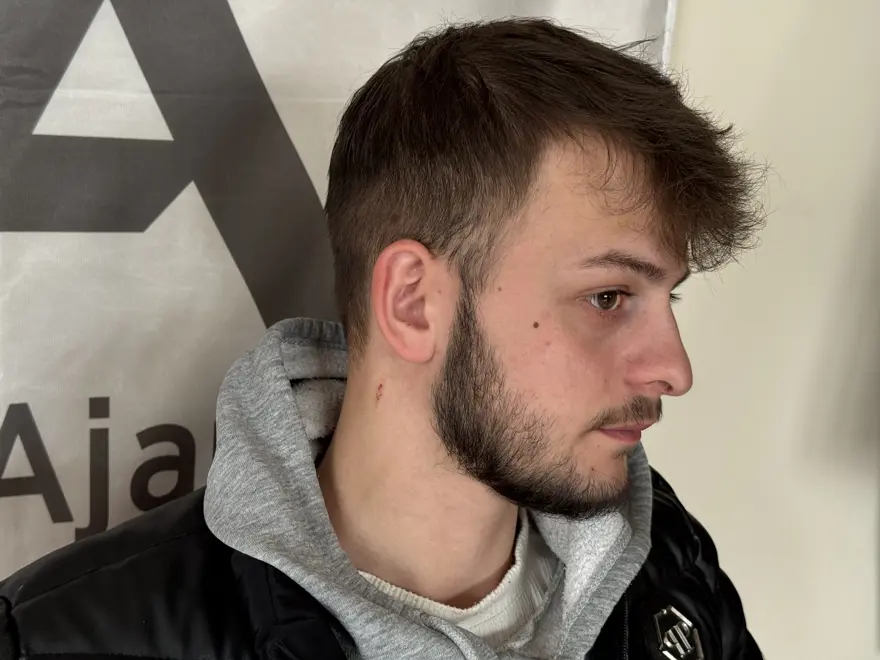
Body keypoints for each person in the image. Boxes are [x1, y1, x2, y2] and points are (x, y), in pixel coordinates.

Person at [0, 17, 765, 660]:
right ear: (413, 302)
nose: (674, 369)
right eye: (608, 297)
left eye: (668, 298)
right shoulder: (58, 638)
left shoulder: (667, 566)